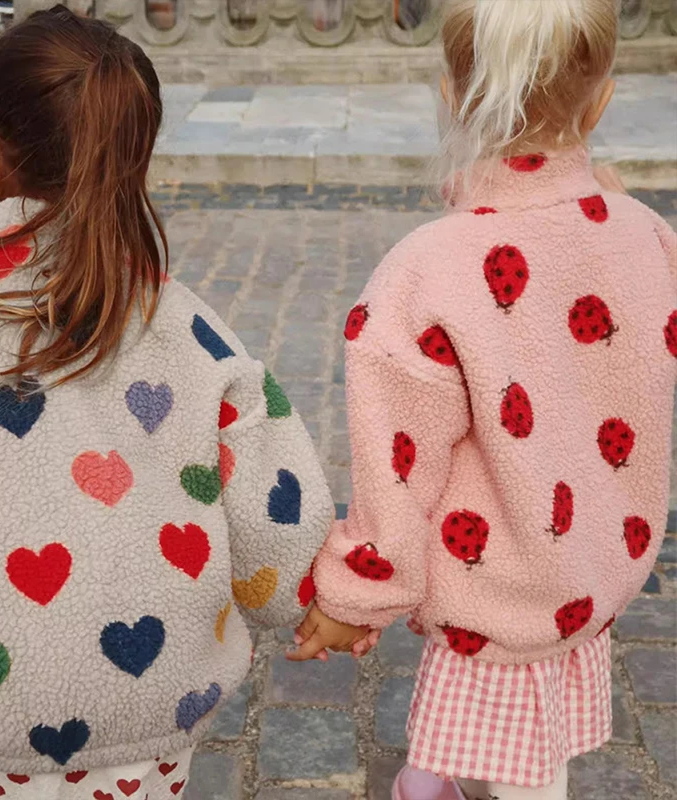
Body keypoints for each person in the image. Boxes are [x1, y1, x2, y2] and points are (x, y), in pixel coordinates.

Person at [0, 7, 353, 798]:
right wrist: (319, 597)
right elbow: (275, 520)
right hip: (155, 708)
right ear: (133, 158)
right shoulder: (188, 325)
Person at [290, 2, 677, 799]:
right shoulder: (649, 236)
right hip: (589, 571)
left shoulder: (428, 270)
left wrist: (355, 596)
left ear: (450, 95)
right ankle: (432, 777)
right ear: (602, 101)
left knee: (528, 773)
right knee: (512, 737)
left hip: (500, 590)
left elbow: (398, 471)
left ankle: (434, 781)